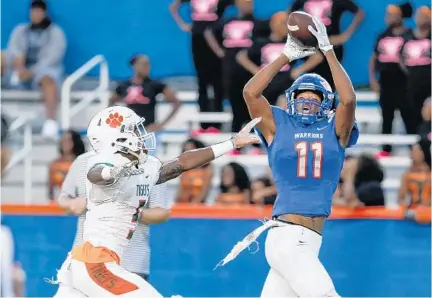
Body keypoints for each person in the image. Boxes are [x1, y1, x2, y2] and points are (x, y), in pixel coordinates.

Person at [52, 106, 260, 297]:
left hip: (89, 263)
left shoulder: (144, 166)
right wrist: (113, 172)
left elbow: (182, 163)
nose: (140, 135)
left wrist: (231, 143)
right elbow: (95, 174)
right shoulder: (103, 161)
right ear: (116, 137)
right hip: (94, 262)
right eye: (133, 129)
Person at [217, 16, 359, 297]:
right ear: (291, 99)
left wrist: (328, 50)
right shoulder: (278, 124)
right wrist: (286, 54)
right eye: (302, 95)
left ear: (325, 103)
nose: (307, 101)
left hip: (310, 239)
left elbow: (349, 100)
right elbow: (250, 92)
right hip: (287, 236)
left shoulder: (335, 128)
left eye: (315, 96)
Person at [1, 0, 66, 139]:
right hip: (19, 73)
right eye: (33, 12)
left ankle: (50, 121)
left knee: (48, 80)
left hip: (42, 72)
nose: (35, 15)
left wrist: (31, 72)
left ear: (44, 13)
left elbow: (51, 59)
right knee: (1, 56)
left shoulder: (55, 33)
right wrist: (18, 66)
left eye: (38, 12)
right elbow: (14, 50)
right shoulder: (21, 30)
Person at [204, 0, 269, 132]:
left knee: (252, 99)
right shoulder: (228, 21)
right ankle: (236, 131)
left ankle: (254, 132)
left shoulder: (259, 23)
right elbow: (209, 32)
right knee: (234, 98)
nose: (247, 5)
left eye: (250, 3)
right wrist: (219, 51)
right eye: (244, 3)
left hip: (251, 69)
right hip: (231, 67)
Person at [169, 0, 232, 130]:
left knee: (217, 82)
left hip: (216, 38)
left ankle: (216, 125)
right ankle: (203, 124)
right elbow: (173, 7)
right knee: (202, 81)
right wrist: (183, 25)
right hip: (197, 39)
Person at [369, 3, 416, 158]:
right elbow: (374, 58)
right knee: (386, 115)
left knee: (408, 115)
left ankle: (414, 148)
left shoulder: (409, 35)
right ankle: (386, 149)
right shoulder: (382, 35)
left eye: (391, 14)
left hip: (403, 82)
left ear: (400, 15)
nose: (387, 17)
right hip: (385, 81)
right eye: (386, 14)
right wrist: (373, 80)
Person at [287, 0, 364, 88]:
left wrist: (345, 36)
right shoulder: (302, 1)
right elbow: (288, 15)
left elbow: (360, 13)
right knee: (311, 80)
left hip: (331, 47)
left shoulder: (338, 2)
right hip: (310, 47)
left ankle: (330, 99)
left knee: (329, 82)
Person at [109, 54, 181, 133]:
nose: (147, 67)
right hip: (130, 130)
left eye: (148, 64)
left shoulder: (154, 85)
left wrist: (162, 124)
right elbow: (111, 101)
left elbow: (176, 102)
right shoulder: (124, 85)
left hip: (148, 130)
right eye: (144, 64)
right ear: (134, 65)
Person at [400, 6, 431, 132]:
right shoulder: (408, 36)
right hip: (413, 83)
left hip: (429, 84)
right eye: (419, 16)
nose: (421, 19)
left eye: (424, 16)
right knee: (412, 114)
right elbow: (400, 56)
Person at [48, 130, 85, 201]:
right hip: (62, 203)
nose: (65, 143)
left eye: (69, 140)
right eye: (64, 140)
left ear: (75, 142)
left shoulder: (81, 162)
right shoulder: (54, 164)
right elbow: (50, 190)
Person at [175, 138, 213, 203]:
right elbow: (180, 189)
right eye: (185, 151)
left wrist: (193, 205)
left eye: (190, 150)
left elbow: (204, 191)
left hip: (198, 206)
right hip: (182, 204)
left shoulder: (207, 168)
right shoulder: (184, 168)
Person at [398, 139, 431, 209]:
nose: (411, 155)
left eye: (415, 151)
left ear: (423, 153)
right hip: (413, 212)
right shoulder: (407, 175)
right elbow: (401, 198)